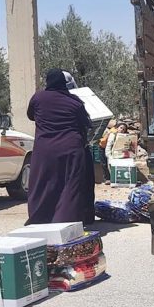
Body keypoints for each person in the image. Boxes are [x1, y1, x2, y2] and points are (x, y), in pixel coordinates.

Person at [26, 69, 95, 225]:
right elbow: (85, 123)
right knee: (70, 184)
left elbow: (31, 115)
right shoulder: (74, 102)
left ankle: (40, 220)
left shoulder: (38, 98)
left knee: (43, 183)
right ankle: (66, 222)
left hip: (45, 150)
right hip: (70, 149)